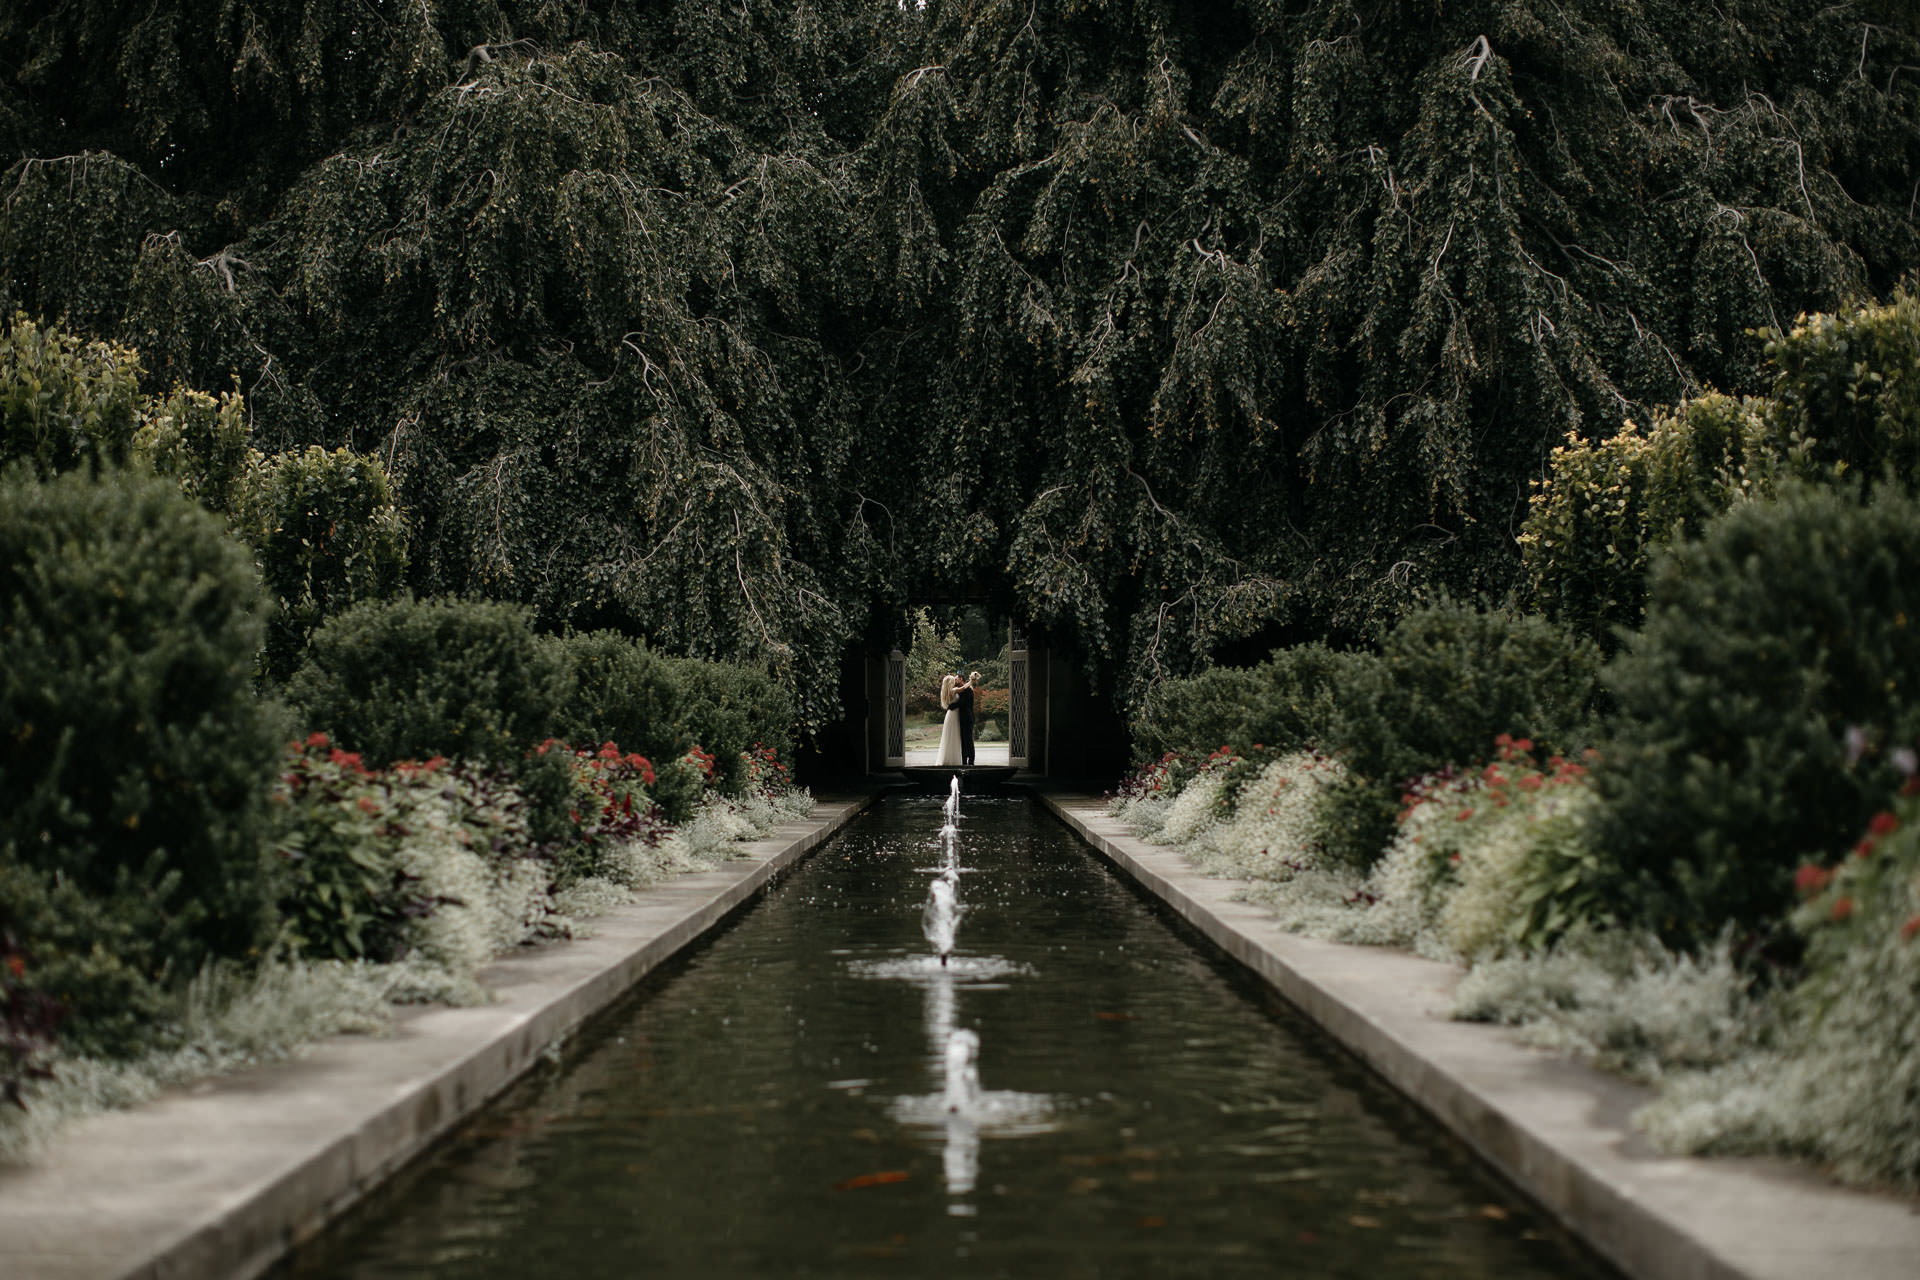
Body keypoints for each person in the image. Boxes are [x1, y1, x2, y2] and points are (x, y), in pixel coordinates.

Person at [935, 673, 964, 766]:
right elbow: (964, 688)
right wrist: (971, 681)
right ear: (950, 682)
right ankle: (954, 760)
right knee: (954, 736)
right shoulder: (953, 690)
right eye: (953, 680)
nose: (955, 681)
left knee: (949, 738)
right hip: (954, 715)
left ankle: (947, 759)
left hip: (950, 715)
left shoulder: (945, 691)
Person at [955, 670, 979, 766]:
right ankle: (964, 760)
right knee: (963, 741)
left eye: (956, 679)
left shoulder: (968, 689)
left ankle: (971, 761)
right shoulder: (961, 688)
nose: (955, 681)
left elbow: (964, 703)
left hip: (967, 718)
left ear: (961, 679)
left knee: (968, 740)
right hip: (962, 718)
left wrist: (952, 706)